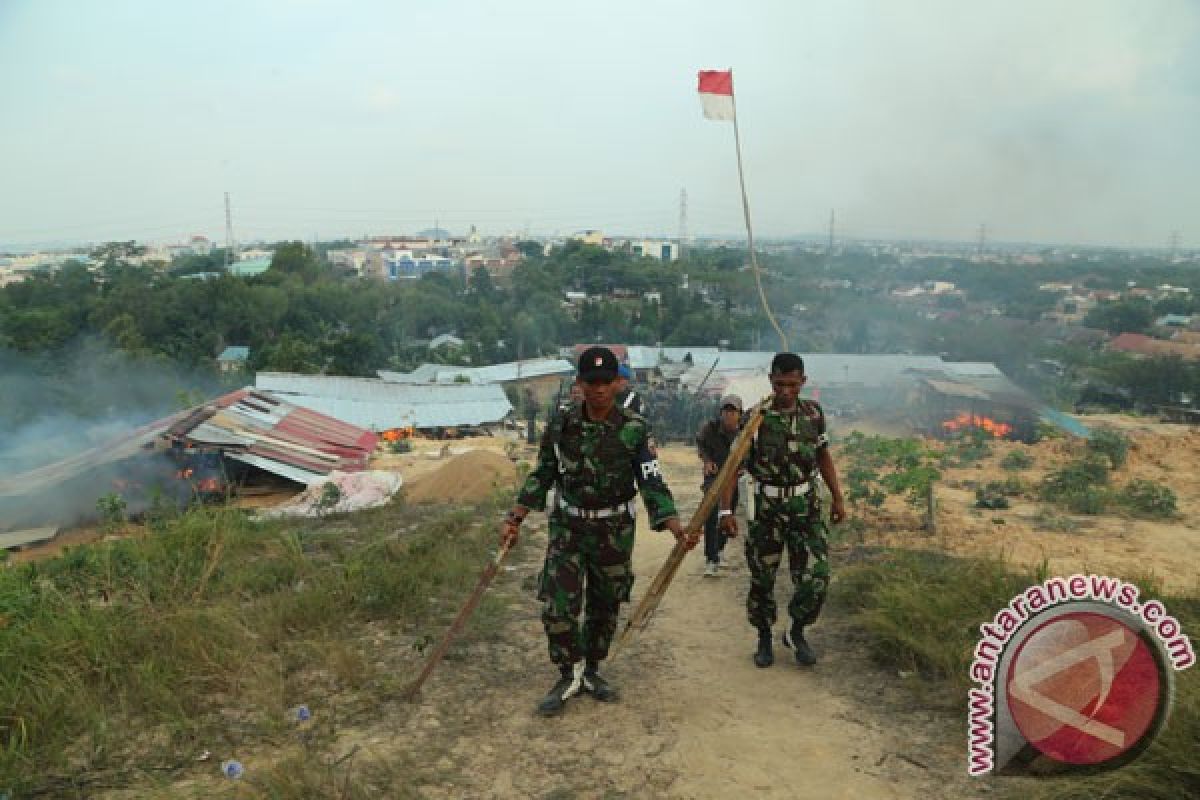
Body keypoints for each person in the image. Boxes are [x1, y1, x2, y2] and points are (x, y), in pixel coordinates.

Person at [501, 346, 692, 716]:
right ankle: (568, 671)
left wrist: (674, 527)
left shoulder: (634, 429)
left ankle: (591, 669)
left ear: (617, 383)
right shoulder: (561, 426)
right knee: (558, 606)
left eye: (606, 382)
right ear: (581, 383)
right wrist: (516, 516)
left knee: (605, 607)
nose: (600, 389)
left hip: (613, 531)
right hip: (568, 528)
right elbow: (543, 473)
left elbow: (651, 482)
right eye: (592, 382)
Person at [719, 353, 846, 668]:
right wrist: (725, 511)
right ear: (771, 381)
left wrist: (838, 497)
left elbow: (823, 456)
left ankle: (796, 630)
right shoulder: (756, 418)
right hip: (767, 510)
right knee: (763, 578)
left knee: (817, 575)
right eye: (780, 384)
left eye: (792, 384)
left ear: (803, 381)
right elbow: (732, 468)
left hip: (806, 507)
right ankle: (763, 637)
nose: (786, 391)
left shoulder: (814, 414)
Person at [695, 394, 745, 577]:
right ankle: (711, 558)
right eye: (726, 411)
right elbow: (700, 444)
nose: (729, 415)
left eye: (733, 411)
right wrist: (707, 461)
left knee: (728, 511)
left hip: (734, 477)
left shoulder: (745, 431)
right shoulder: (710, 429)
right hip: (715, 476)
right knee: (711, 512)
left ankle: (720, 550)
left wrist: (744, 468)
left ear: (740, 414)